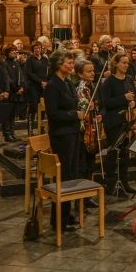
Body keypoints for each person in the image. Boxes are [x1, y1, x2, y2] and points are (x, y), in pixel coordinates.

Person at [44, 49, 85, 231]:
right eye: (68, 62)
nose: (71, 65)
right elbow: (53, 114)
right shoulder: (52, 85)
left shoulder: (67, 82)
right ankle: (58, 220)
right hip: (61, 135)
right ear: (59, 64)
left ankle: (67, 215)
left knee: (72, 174)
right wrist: (74, 114)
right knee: (64, 177)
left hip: (72, 132)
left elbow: (72, 104)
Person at [97, 52, 136, 194]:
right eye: (124, 63)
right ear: (116, 64)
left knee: (125, 153)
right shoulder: (109, 81)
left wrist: (133, 102)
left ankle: (124, 182)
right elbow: (105, 103)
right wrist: (123, 98)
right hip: (113, 121)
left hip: (127, 120)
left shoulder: (129, 79)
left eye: (127, 63)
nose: (127, 65)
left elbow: (135, 96)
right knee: (113, 153)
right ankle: (111, 184)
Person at [75, 58, 100, 184]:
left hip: (92, 129)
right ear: (80, 74)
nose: (93, 73)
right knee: (82, 164)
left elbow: (98, 104)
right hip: (82, 132)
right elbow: (77, 109)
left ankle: (89, 191)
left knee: (91, 163)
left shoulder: (93, 86)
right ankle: (82, 194)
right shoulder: (78, 89)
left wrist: (97, 112)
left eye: (93, 71)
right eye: (89, 71)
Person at [24, 40, 48, 136]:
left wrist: (46, 82)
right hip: (33, 86)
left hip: (43, 86)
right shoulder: (30, 60)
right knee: (33, 107)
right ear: (33, 49)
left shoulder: (45, 59)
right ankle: (30, 131)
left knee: (42, 107)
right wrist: (40, 82)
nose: (38, 50)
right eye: (35, 48)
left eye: (39, 48)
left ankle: (41, 129)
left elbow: (46, 72)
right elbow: (29, 73)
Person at [1, 45, 23, 141]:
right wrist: (15, 89)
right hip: (10, 91)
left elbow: (21, 76)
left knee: (13, 114)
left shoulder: (16, 63)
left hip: (17, 91)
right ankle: (7, 134)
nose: (14, 52)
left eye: (15, 50)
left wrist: (22, 87)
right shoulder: (4, 63)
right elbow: (7, 79)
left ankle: (12, 133)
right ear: (7, 53)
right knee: (7, 114)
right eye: (12, 51)